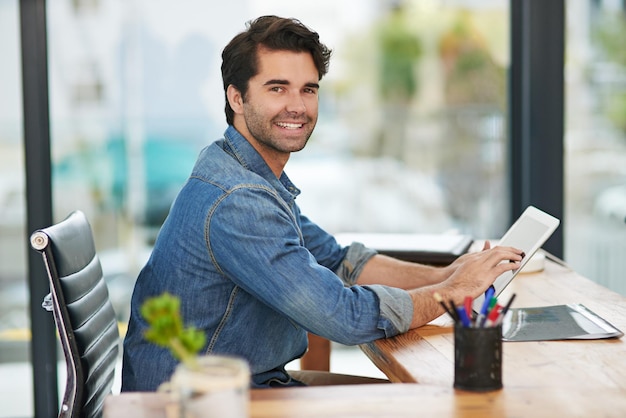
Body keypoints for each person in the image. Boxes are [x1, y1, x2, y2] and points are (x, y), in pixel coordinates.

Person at [121, 15, 523, 391]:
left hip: (250, 383)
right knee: (425, 402)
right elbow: (345, 317)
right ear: (237, 98)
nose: (297, 105)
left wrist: (446, 275)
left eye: (308, 89)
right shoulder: (239, 200)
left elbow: (337, 259)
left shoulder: (248, 173)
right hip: (200, 402)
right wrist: (452, 294)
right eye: (277, 88)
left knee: (415, 398)